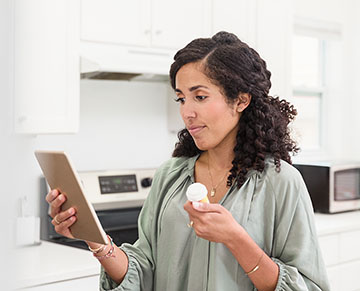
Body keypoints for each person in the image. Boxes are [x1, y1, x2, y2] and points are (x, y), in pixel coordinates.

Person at [46, 31, 330, 291]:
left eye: (200, 96)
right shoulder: (171, 175)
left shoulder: (281, 182)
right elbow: (144, 270)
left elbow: (307, 286)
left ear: (241, 101)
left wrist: (236, 239)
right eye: (181, 99)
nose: (187, 112)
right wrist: (94, 238)